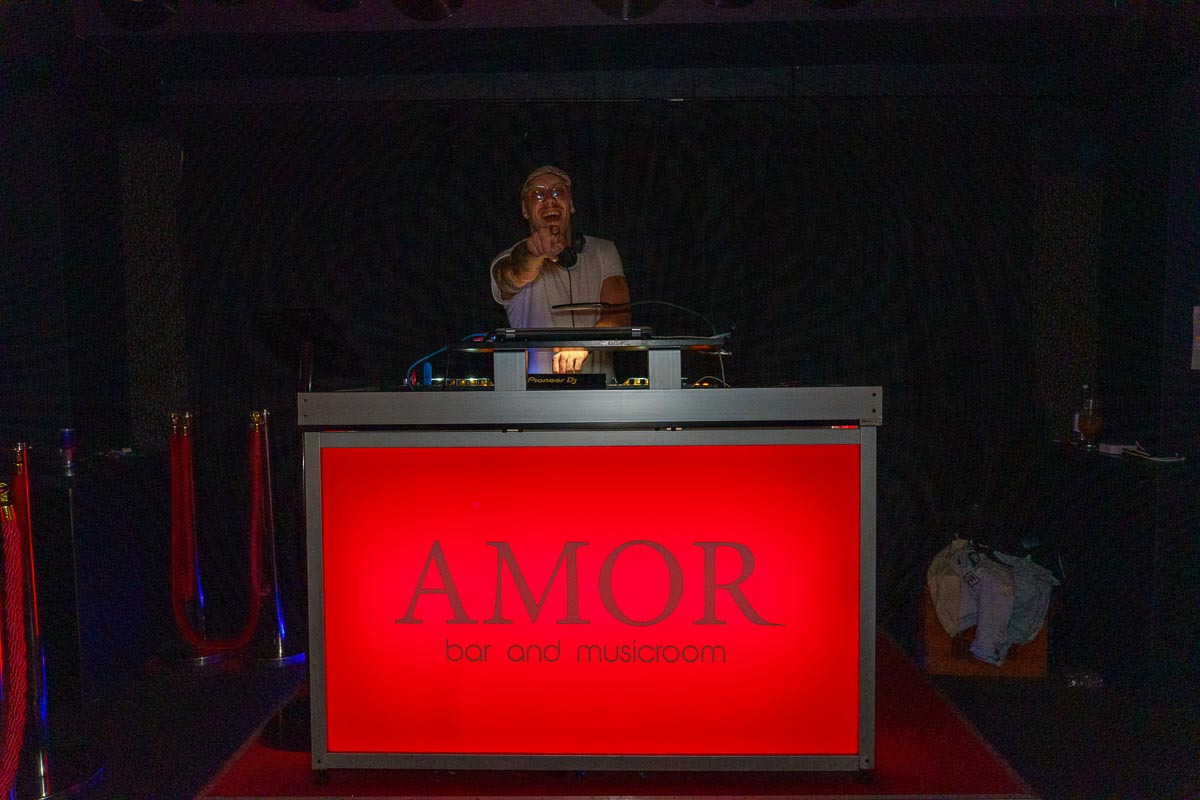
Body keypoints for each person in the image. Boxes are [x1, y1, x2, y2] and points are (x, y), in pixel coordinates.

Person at [489, 166, 631, 376]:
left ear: (571, 204)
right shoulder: (509, 259)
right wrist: (534, 253)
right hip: (537, 394)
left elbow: (620, 315)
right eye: (538, 194)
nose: (549, 200)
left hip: (600, 392)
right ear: (525, 210)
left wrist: (583, 344)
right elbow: (511, 276)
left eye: (558, 192)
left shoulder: (604, 251)